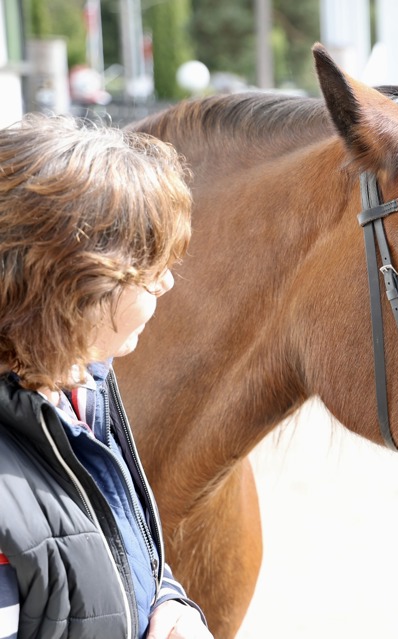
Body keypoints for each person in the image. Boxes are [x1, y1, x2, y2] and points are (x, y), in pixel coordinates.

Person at [0, 114, 211, 639]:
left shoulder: (82, 388)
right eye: (147, 269)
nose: (165, 284)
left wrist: (170, 604)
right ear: (73, 288)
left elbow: (118, 554)